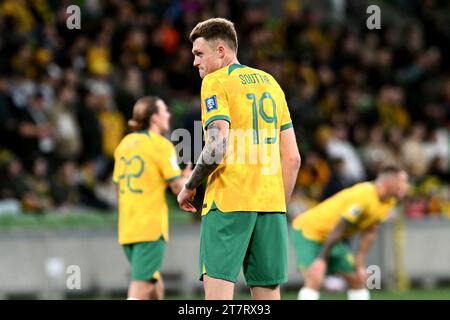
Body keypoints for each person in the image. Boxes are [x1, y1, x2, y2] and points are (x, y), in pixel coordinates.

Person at [177, 18, 301, 300]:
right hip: (271, 207)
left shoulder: (216, 81)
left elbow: (217, 145)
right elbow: (293, 158)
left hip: (228, 203)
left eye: (199, 54)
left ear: (221, 51)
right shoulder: (271, 83)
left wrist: (191, 185)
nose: (195, 62)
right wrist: (276, 207)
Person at [113, 96, 192, 300]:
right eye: (165, 110)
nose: (169, 114)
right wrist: (189, 179)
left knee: (152, 281)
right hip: (149, 226)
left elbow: (116, 186)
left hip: (127, 227)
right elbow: (177, 188)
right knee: (140, 288)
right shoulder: (160, 145)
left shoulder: (124, 144)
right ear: (155, 118)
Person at [291, 165, 410, 300]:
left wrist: (359, 264)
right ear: (389, 182)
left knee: (357, 280)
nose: (406, 186)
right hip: (309, 231)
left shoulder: (389, 201)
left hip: (332, 238)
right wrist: (321, 260)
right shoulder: (364, 195)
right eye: (403, 181)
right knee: (315, 278)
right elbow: (339, 228)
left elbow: (370, 233)